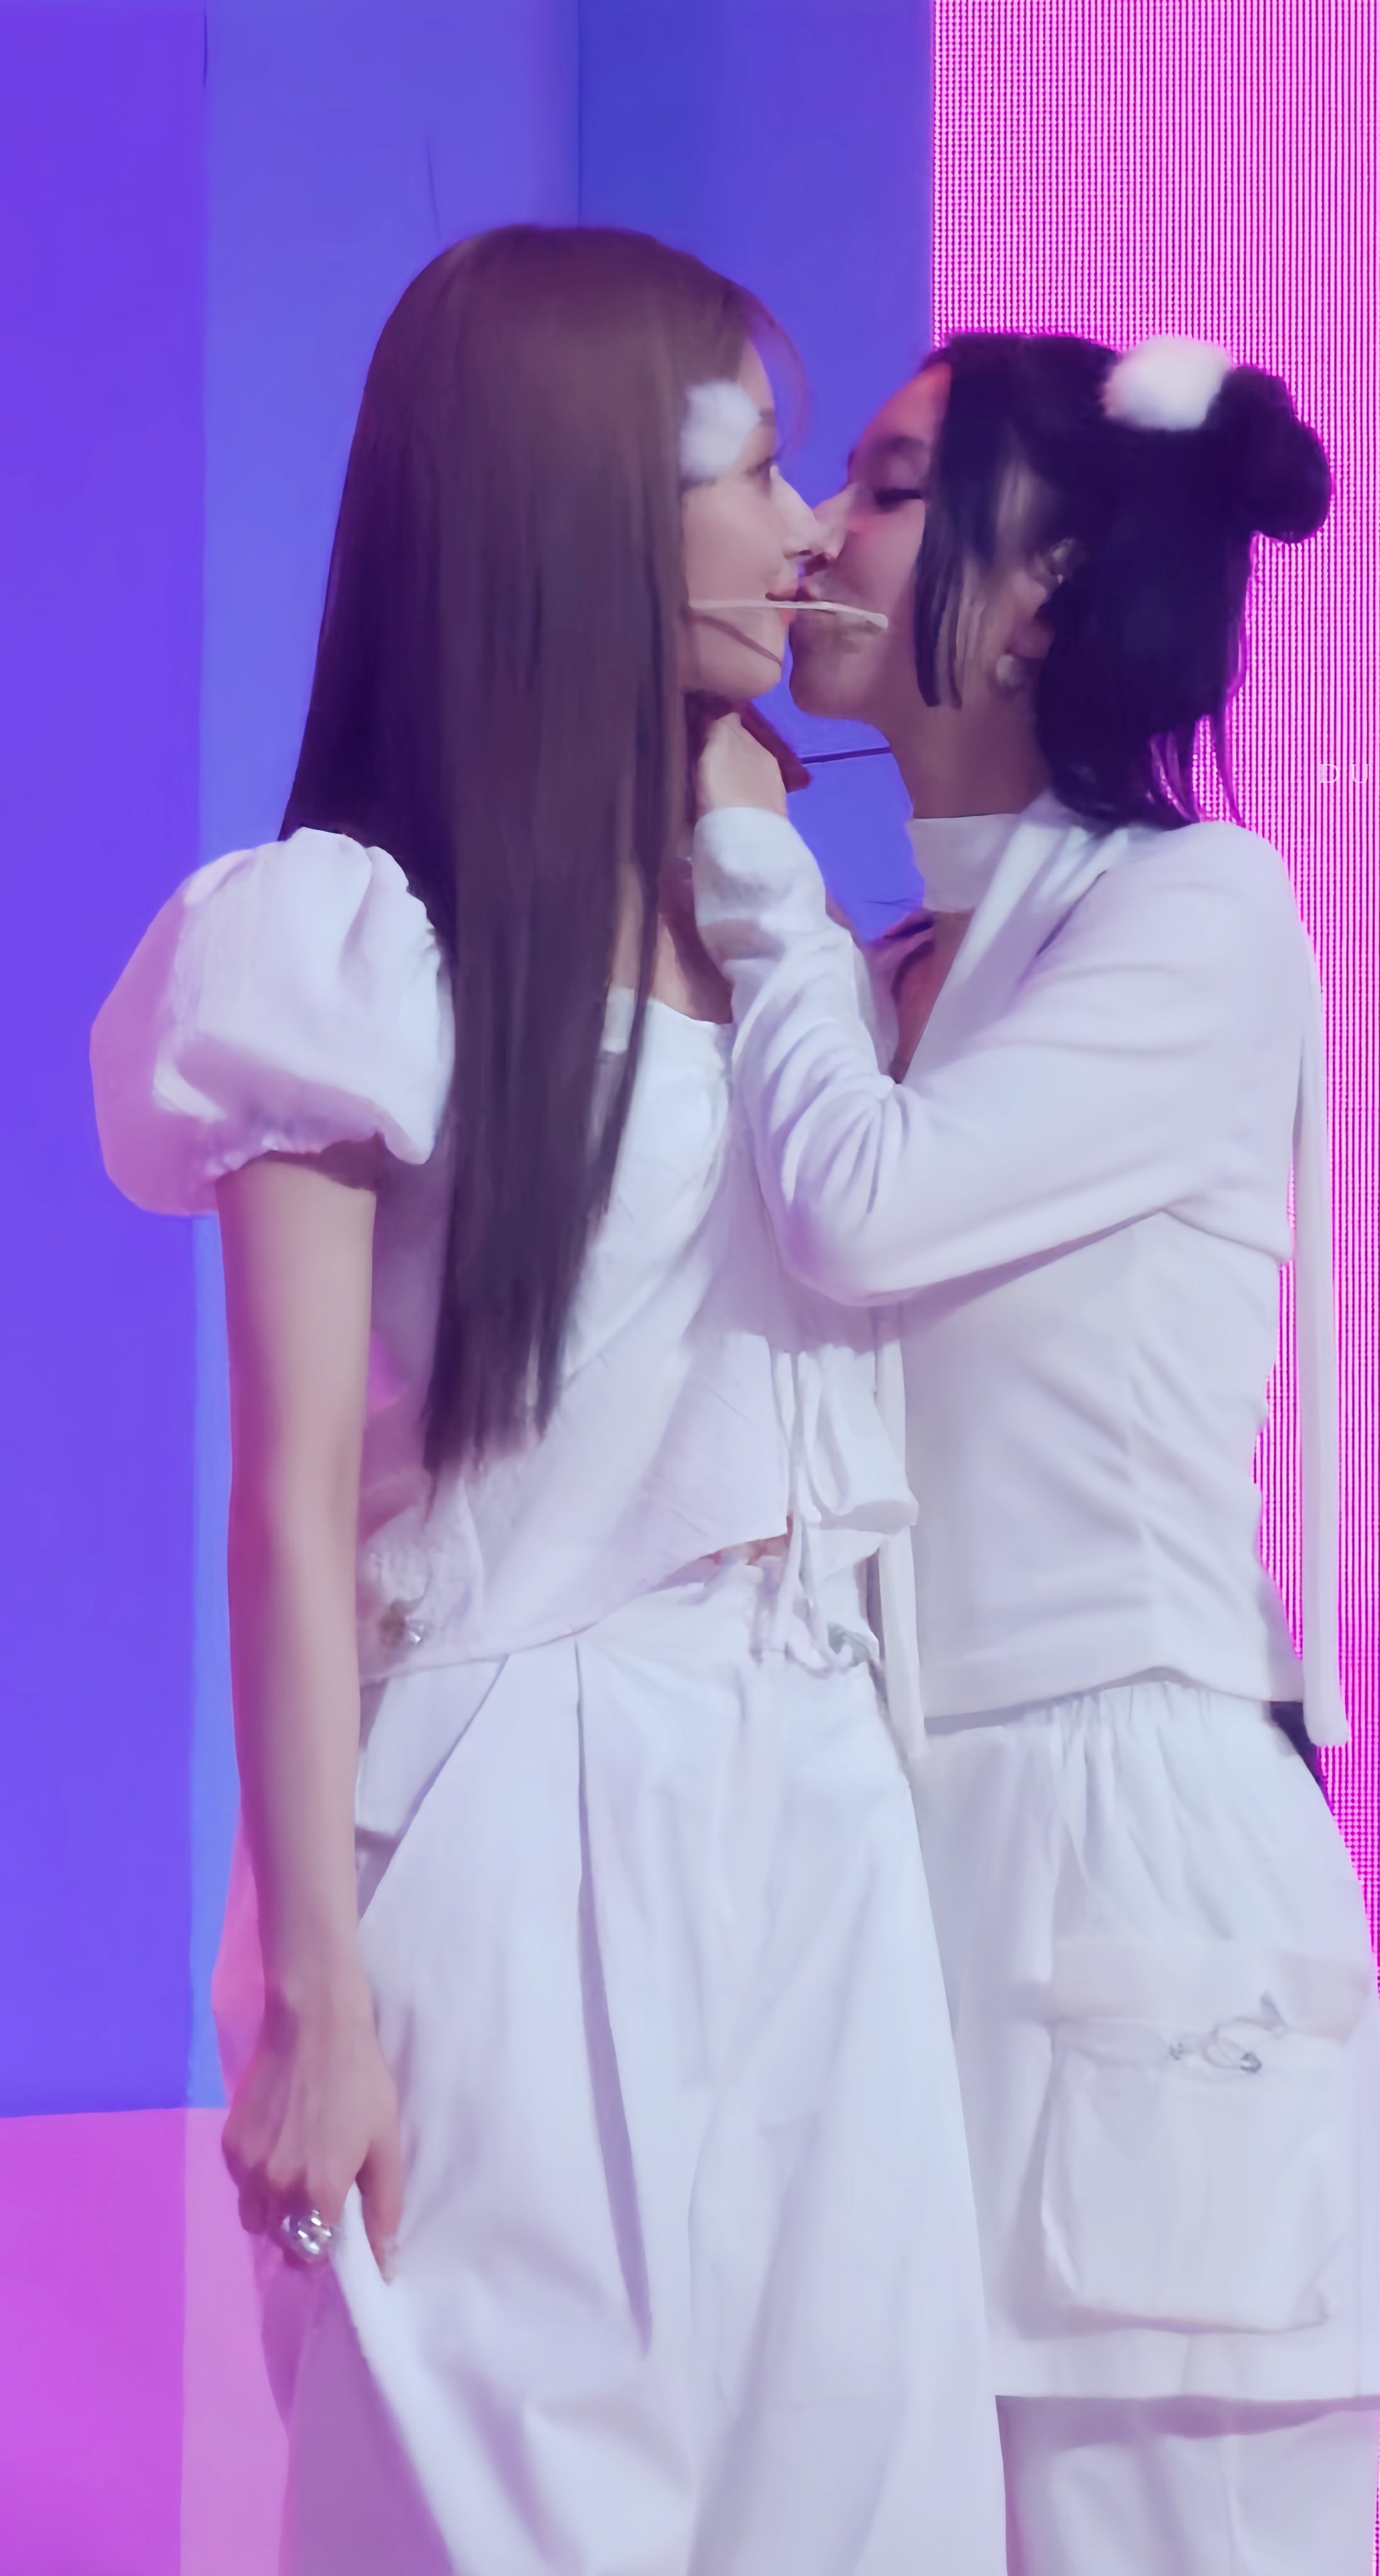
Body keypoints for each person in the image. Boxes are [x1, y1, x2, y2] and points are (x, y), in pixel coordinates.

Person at [91, 228, 1005, 2576]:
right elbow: (289, 1500)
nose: (806, 527)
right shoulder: (349, 943)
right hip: (517, 1805)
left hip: (815, 1790)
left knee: (864, 2513)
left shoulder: (773, 921)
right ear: (579, 504)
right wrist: (318, 1995)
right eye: (756, 467)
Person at [690, 329, 1380, 2576]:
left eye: (892, 484)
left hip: (1128, 1846)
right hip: (900, 1850)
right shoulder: (894, 965)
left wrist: (749, 875)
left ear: (1039, 593)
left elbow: (869, 1212)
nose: (822, 531)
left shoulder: (1192, 913)